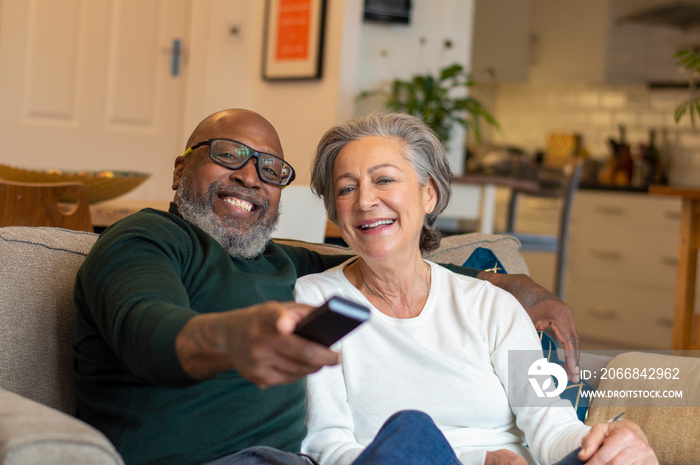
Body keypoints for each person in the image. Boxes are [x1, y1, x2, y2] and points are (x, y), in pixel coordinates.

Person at [73, 108, 581, 465]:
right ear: (182, 167)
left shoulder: (284, 264)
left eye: (271, 169)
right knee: (411, 437)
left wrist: (515, 285)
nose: (251, 176)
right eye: (228, 154)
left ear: (429, 194)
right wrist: (232, 338)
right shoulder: (146, 239)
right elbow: (148, 333)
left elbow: (389, 260)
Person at [294, 112, 658, 465]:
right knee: (412, 430)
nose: (365, 201)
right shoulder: (316, 300)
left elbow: (552, 425)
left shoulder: (491, 305)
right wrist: (474, 460)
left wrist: (603, 441)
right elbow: (328, 447)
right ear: (335, 211)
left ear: (429, 195)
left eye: (384, 180)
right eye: (346, 188)